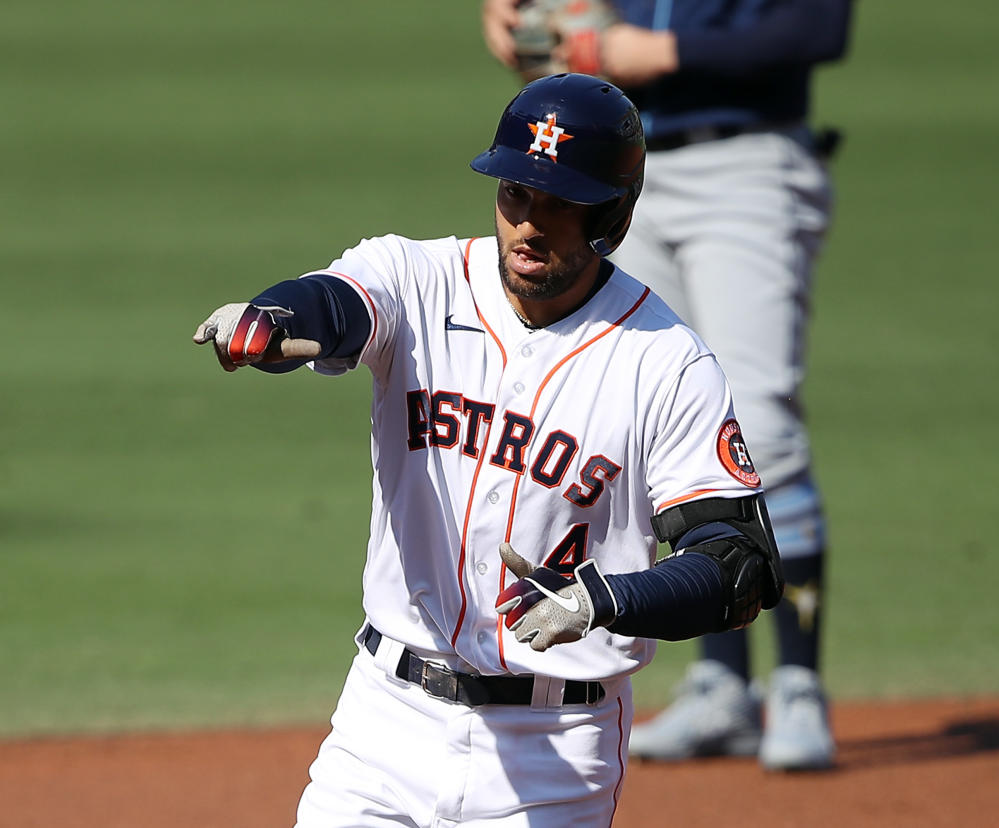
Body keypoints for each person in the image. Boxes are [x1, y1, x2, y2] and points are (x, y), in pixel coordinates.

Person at [192, 73, 786, 826]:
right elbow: (337, 303)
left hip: (556, 753)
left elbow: (738, 568)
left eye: (559, 204)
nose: (529, 225)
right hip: (384, 727)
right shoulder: (418, 277)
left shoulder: (665, 362)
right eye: (515, 196)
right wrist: (274, 316)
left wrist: (604, 599)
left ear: (614, 214)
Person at [482, 1, 854, 771]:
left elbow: (818, 28)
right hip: (617, 179)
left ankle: (795, 685)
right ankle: (719, 683)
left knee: (759, 423)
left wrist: (660, 49)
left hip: (745, 162)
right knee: (652, 422)